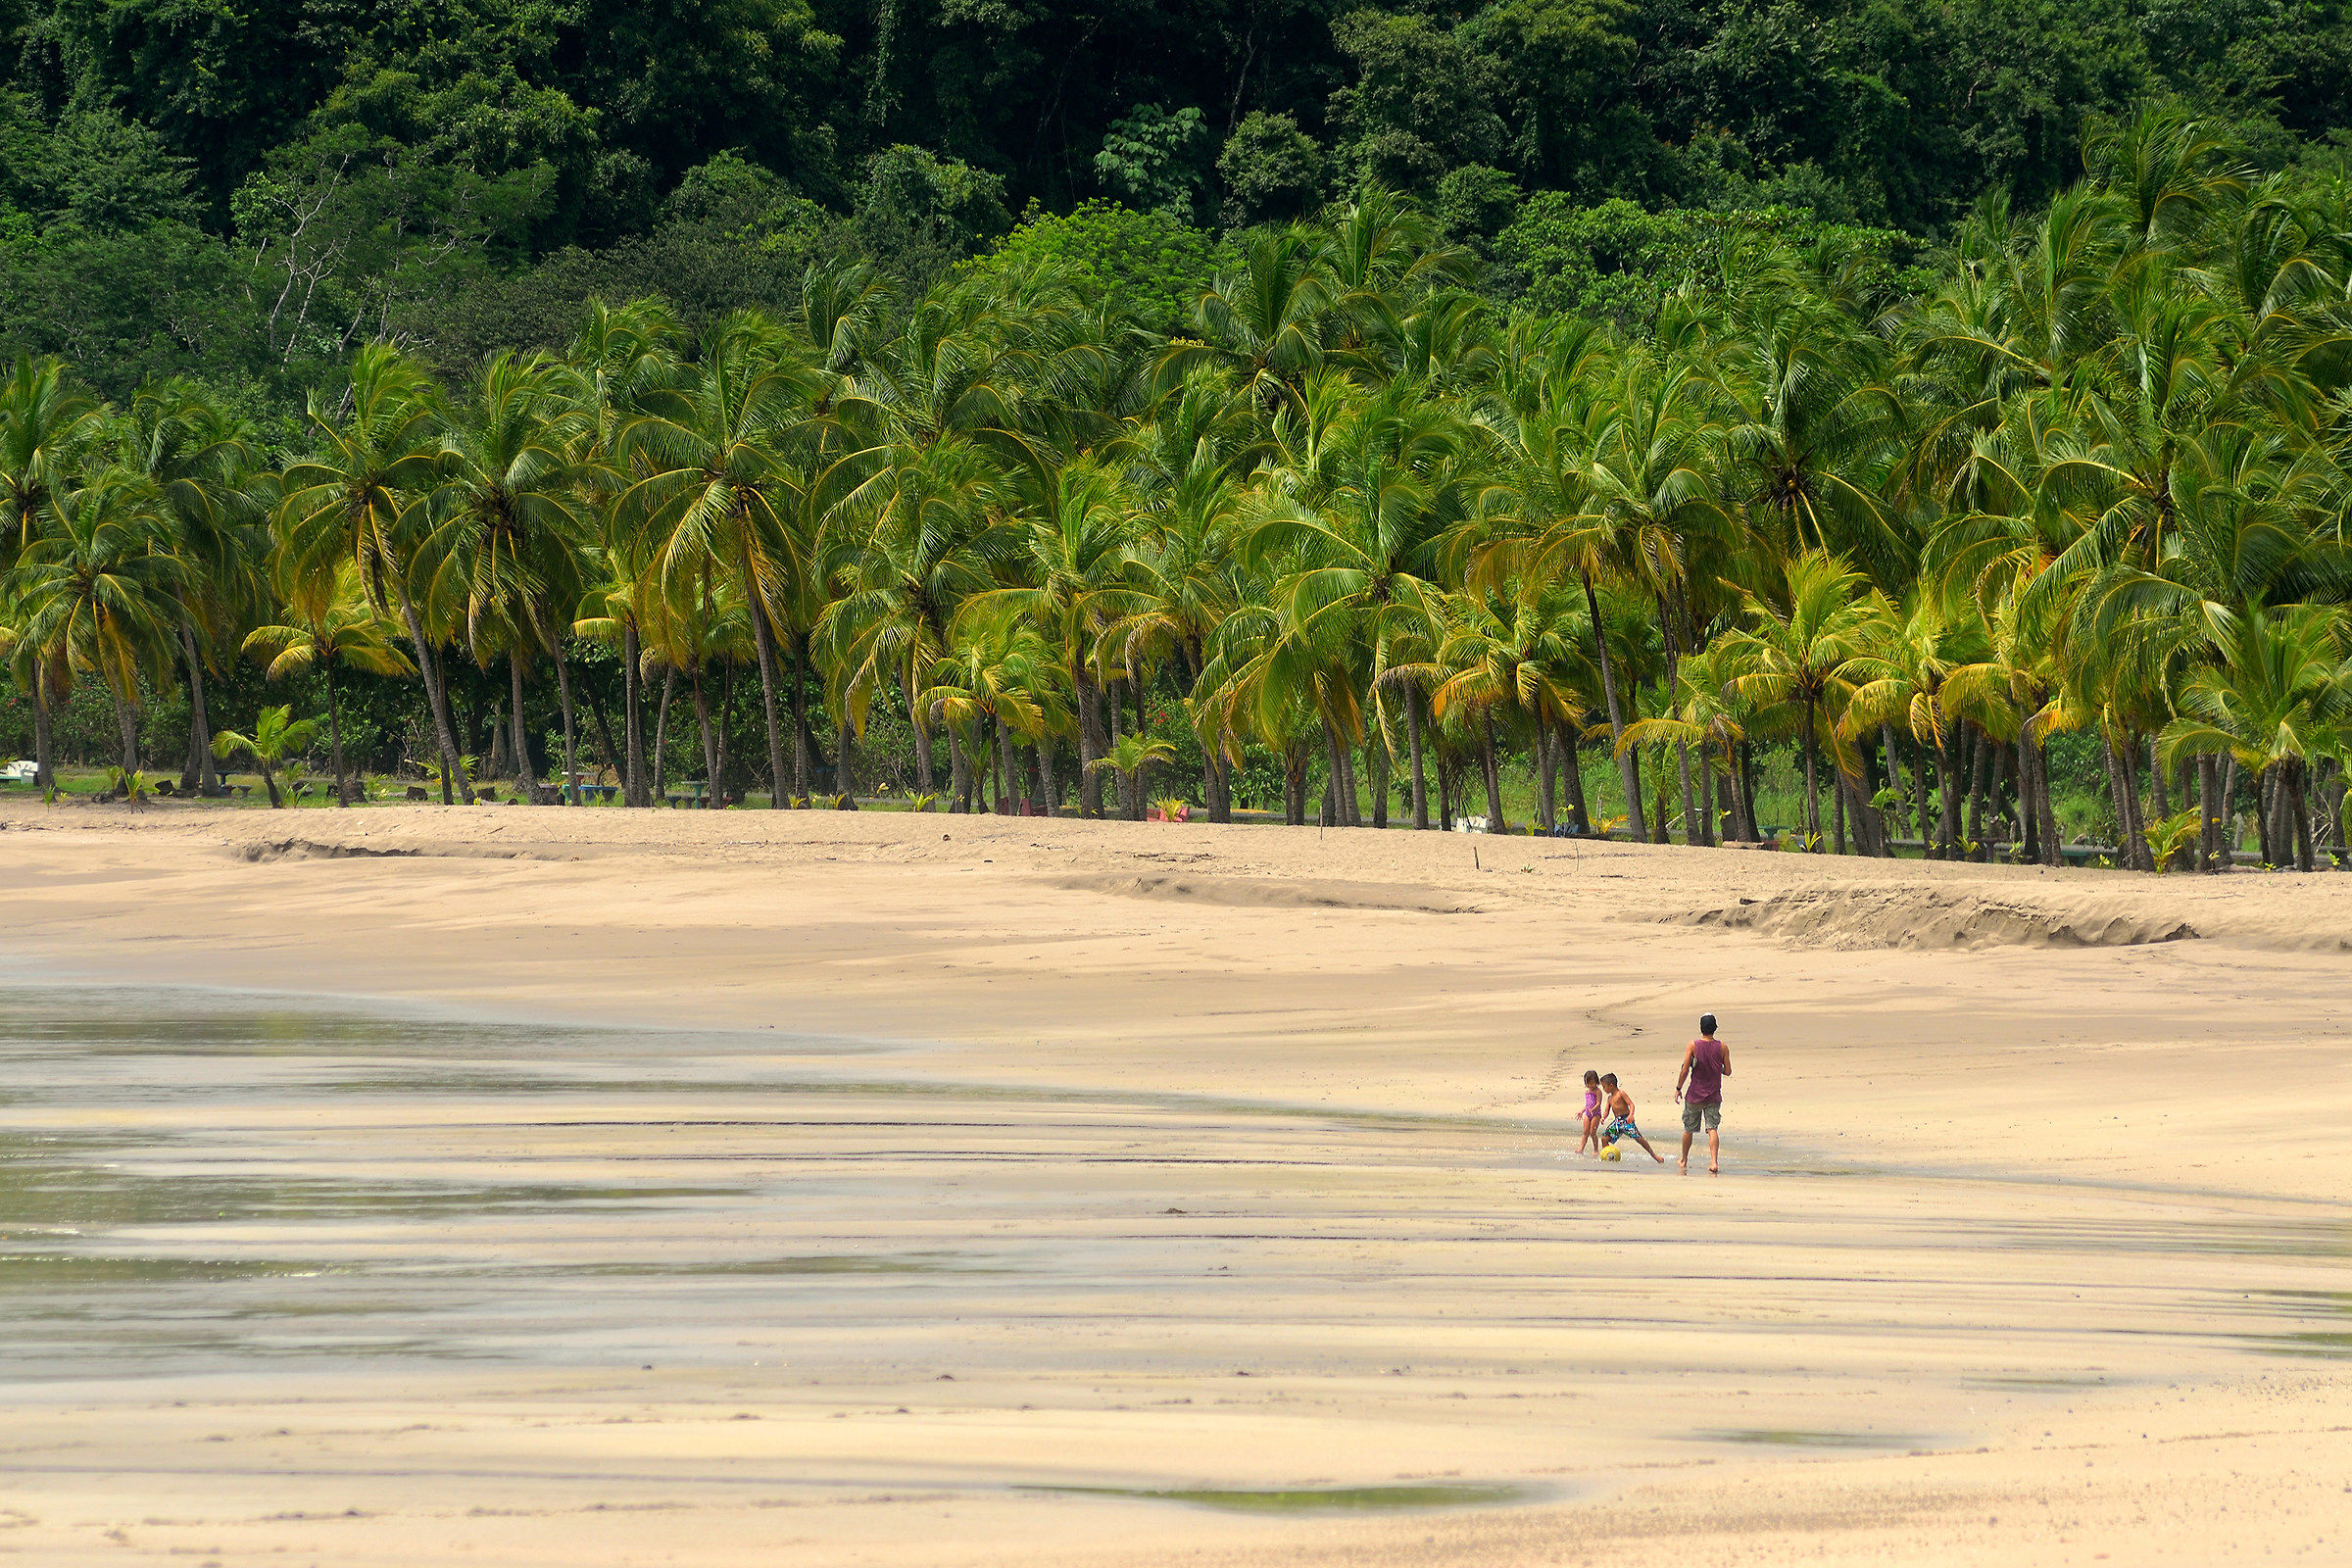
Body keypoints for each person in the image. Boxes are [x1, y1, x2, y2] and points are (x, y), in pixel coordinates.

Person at [1675, 1012, 1732, 1175]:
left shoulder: (1693, 1045)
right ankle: (1713, 1162)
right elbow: (1727, 1071)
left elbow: (1685, 1069)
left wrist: (1678, 1088)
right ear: (1715, 1028)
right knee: (1712, 1128)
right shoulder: (1722, 1047)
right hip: (1713, 1095)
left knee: (1688, 1128)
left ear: (1701, 1028)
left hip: (1694, 1094)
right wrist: (1717, 1068)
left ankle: (1684, 1159)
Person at [1598, 1073, 1664, 1163]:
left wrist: (1631, 1114)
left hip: (1626, 1120)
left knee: (1639, 1138)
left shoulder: (1621, 1093)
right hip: (1617, 1122)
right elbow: (1607, 1111)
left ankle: (1654, 1156)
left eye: (1604, 1087)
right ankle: (1607, 1156)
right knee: (1604, 1138)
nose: (1603, 1089)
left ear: (1611, 1086)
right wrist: (1603, 1118)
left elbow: (1631, 1104)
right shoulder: (1609, 1098)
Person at [1577, 1070, 1602, 1156]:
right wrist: (1581, 1111)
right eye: (1588, 1083)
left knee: (1592, 1132)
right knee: (1585, 1132)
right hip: (1587, 1113)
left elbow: (1598, 1103)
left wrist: (1593, 1109)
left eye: (1592, 1083)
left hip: (1596, 1114)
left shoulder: (1598, 1091)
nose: (1590, 1085)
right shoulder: (1587, 1092)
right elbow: (1587, 1105)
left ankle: (1596, 1149)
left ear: (1596, 1082)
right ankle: (1581, 1148)